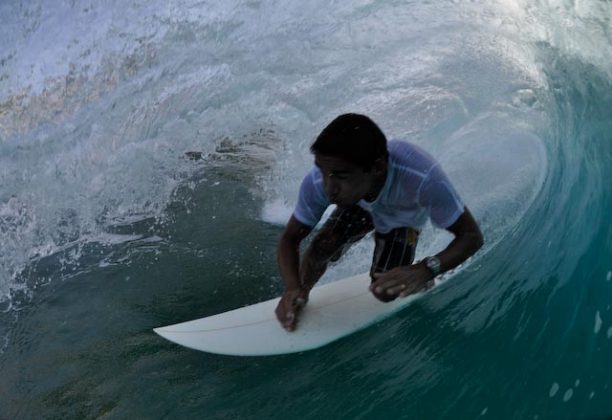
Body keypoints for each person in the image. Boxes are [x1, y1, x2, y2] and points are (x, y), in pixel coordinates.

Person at [275, 113, 484, 331]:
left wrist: (426, 269)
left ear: (378, 168)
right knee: (321, 247)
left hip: (402, 216)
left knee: (383, 291)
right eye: (322, 170)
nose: (329, 187)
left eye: (340, 176)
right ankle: (302, 297)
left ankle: (416, 269)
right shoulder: (321, 181)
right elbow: (289, 239)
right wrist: (292, 287)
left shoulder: (422, 178)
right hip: (360, 201)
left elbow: (472, 236)